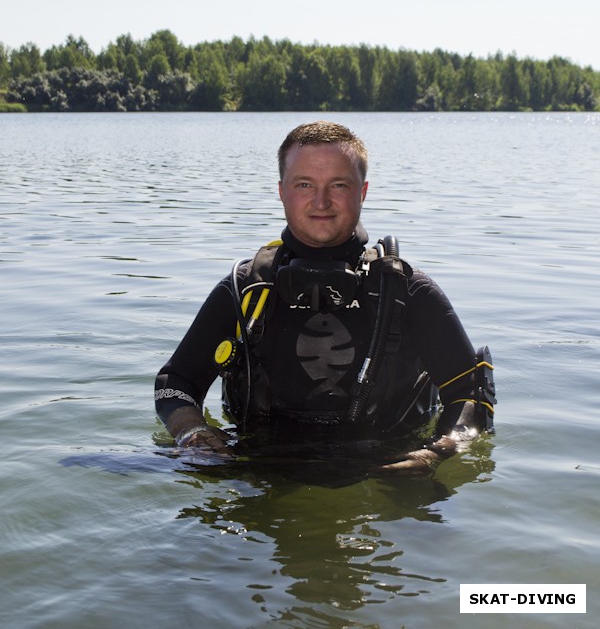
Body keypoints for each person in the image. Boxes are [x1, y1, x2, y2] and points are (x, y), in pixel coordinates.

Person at [154, 121, 496, 473]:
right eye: (304, 184)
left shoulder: (408, 293)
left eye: (339, 185)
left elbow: (469, 393)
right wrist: (192, 434)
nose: (321, 202)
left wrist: (440, 451)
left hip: (387, 475)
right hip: (259, 471)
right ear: (281, 191)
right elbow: (175, 383)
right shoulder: (246, 289)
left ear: (361, 192)